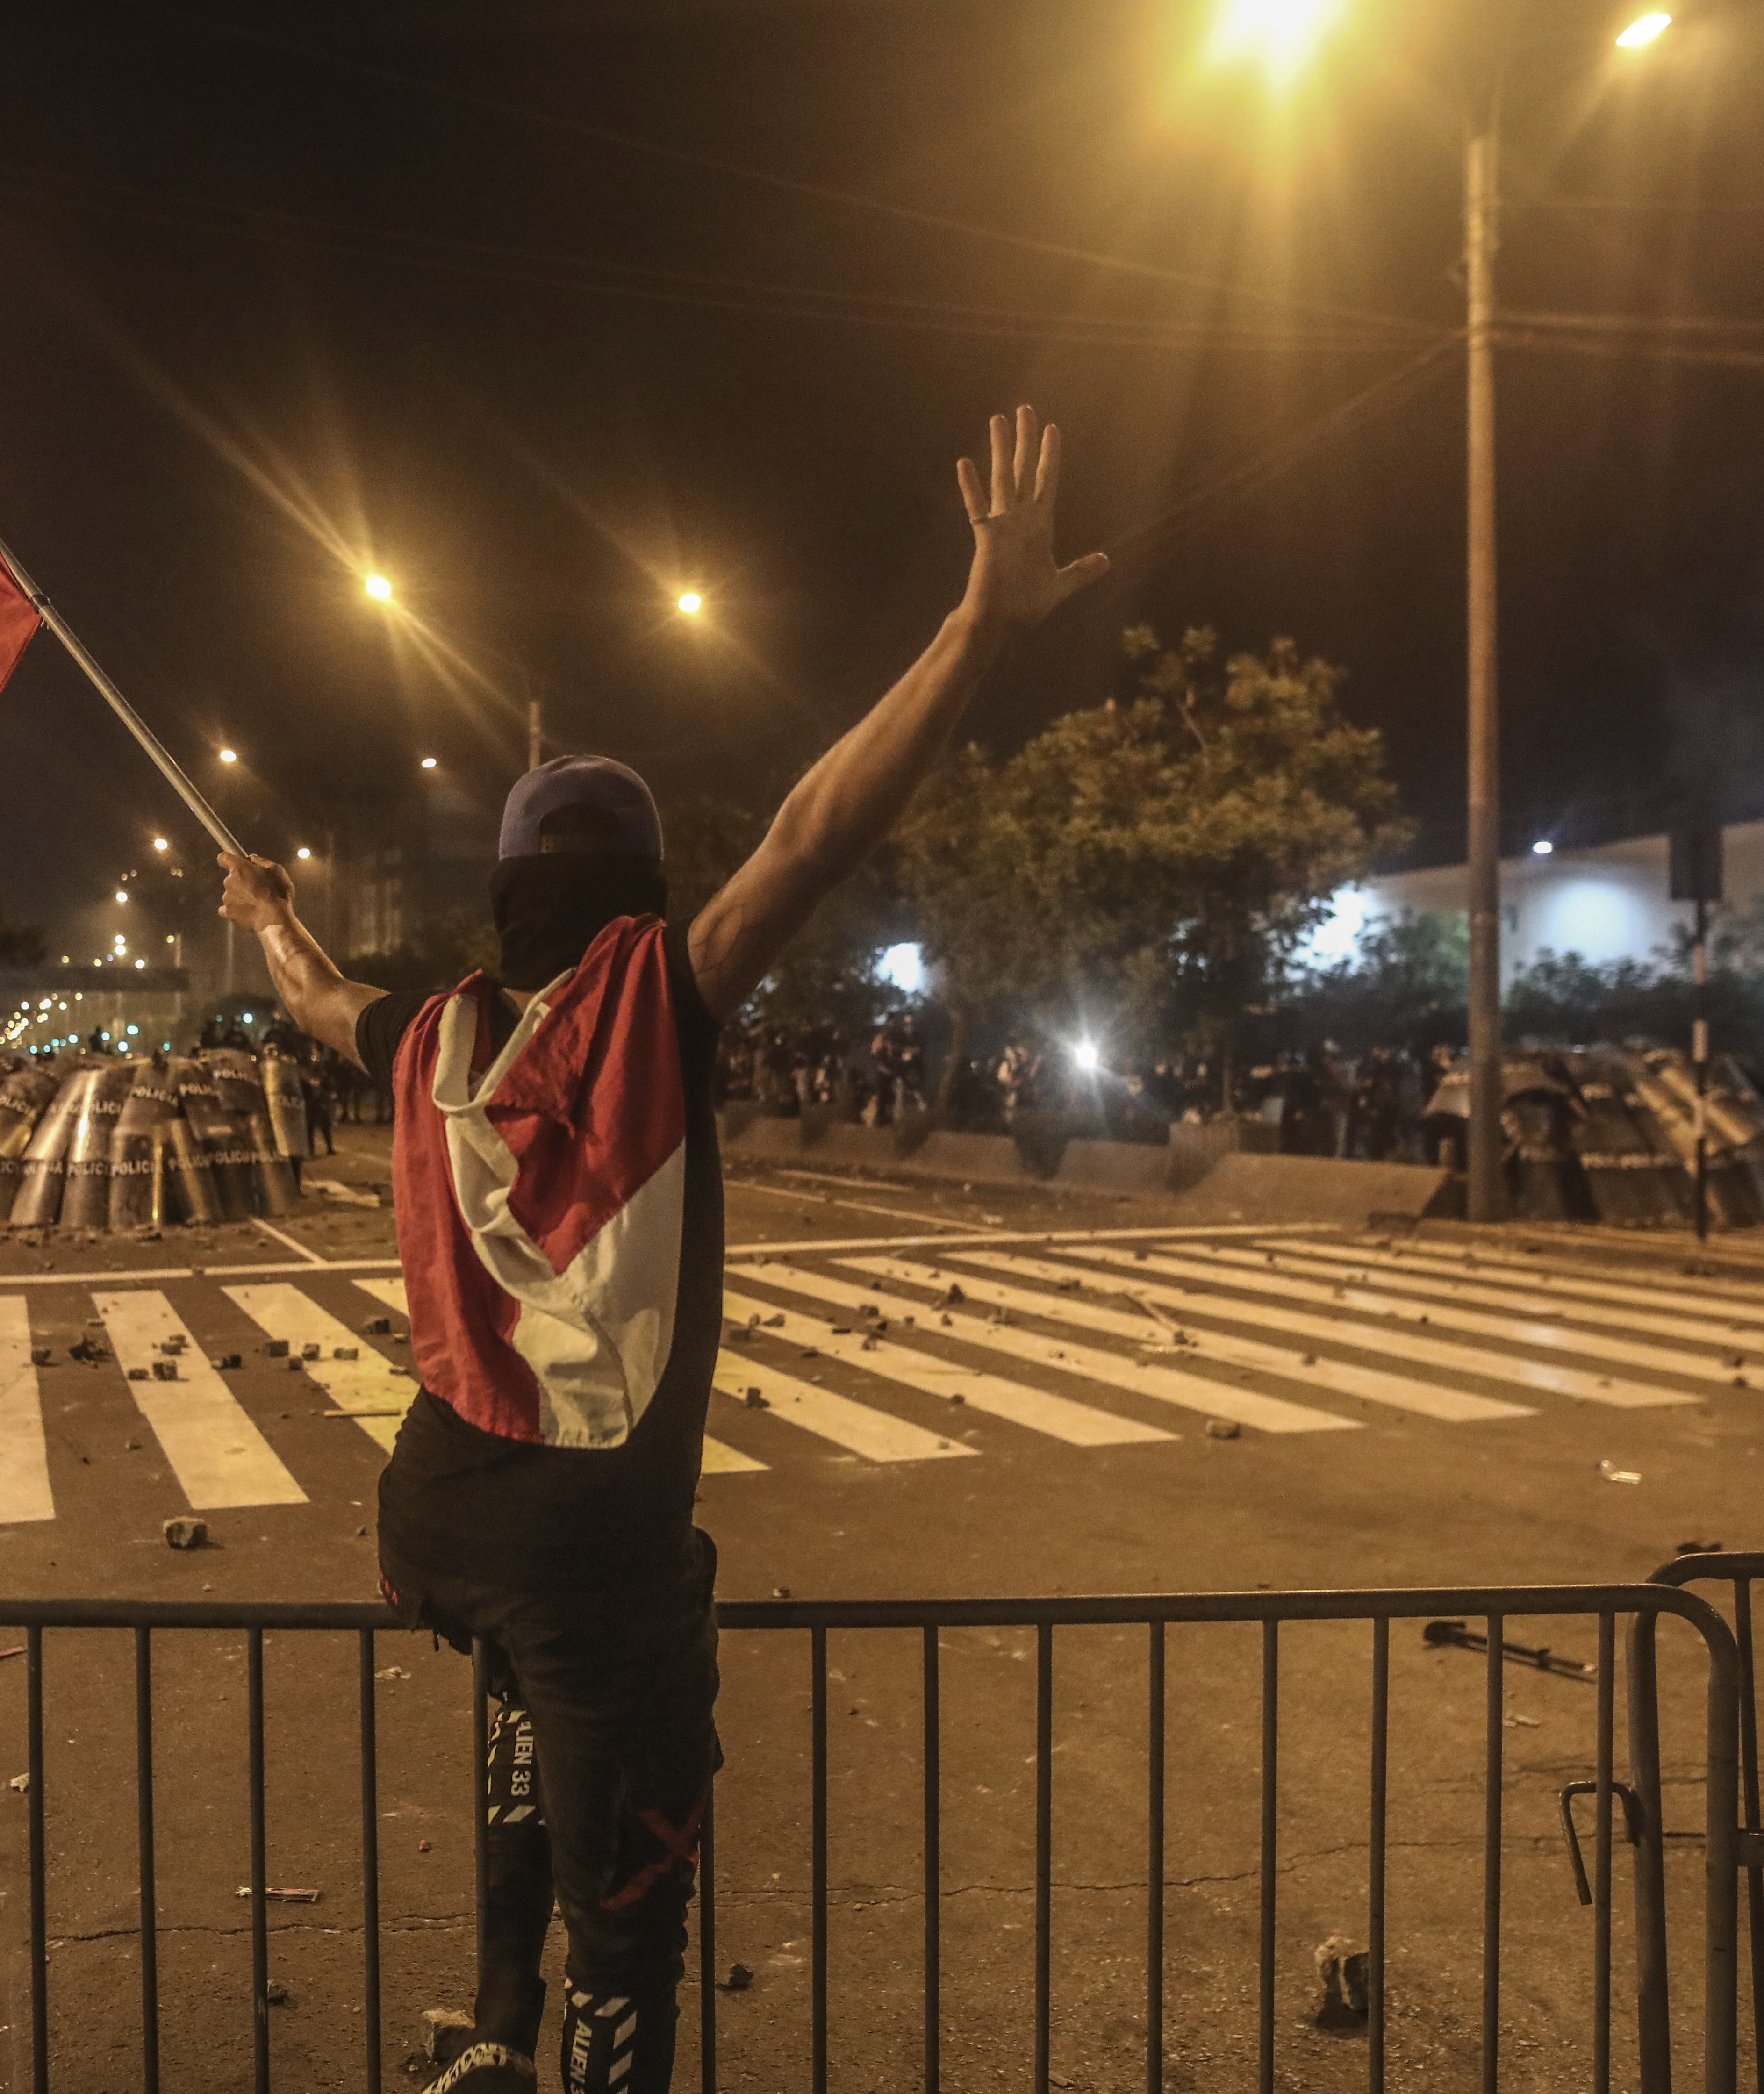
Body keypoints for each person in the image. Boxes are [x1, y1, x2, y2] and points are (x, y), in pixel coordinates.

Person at [218, 407, 1105, 2094]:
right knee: (637, 1821)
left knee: (517, 1692)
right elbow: (812, 833)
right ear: (639, 886)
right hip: (592, 1532)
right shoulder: (656, 1008)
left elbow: (313, 996)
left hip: (432, 1516)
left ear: (502, 890)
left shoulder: (434, 1032)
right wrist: (977, 628)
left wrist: (267, 912)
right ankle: (600, 2029)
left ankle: (494, 2028)